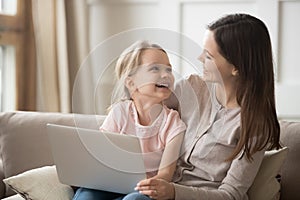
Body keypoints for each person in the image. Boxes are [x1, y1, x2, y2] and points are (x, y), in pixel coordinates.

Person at [132, 13, 281, 200]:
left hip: (192, 196)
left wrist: (174, 192)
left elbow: (231, 194)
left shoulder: (255, 125)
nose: (200, 58)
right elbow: (139, 114)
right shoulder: (190, 87)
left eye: (209, 56)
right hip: (157, 185)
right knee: (88, 193)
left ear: (236, 68)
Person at [72, 40, 186, 200]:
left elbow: (165, 175)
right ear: (131, 82)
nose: (166, 74)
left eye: (169, 69)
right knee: (87, 195)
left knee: (134, 199)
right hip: (112, 185)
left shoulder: (173, 123)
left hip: (145, 193)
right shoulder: (119, 113)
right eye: (155, 68)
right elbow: (100, 157)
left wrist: (144, 186)